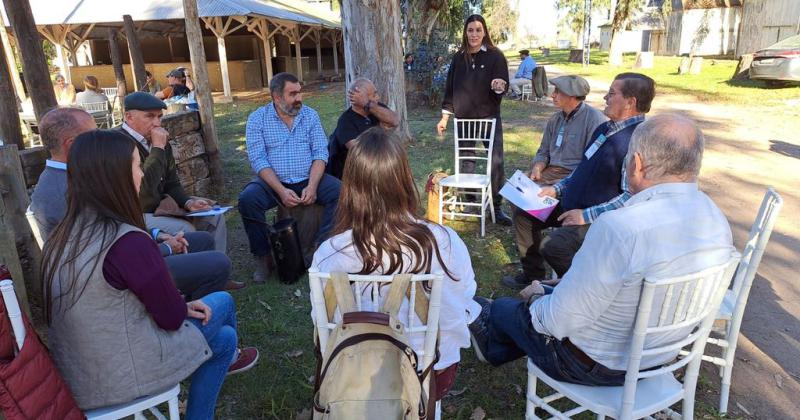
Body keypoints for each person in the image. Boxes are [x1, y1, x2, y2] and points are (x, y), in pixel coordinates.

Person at [470, 113, 736, 386]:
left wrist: (536, 300)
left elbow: (555, 323)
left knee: (503, 309)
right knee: (540, 300)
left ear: (636, 164)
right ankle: (494, 346)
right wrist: (561, 285)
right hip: (660, 356)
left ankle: (493, 341)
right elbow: (630, 285)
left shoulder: (620, 228)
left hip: (596, 365)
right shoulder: (715, 219)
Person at [41, 129, 258, 418]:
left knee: (224, 338)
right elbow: (169, 319)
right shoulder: (128, 241)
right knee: (223, 303)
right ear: (115, 175)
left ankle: (223, 360)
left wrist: (179, 306)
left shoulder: (62, 236)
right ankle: (225, 364)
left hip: (78, 375)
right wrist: (179, 306)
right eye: (135, 165)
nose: (142, 175)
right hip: (124, 375)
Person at [312, 127, 480, 400]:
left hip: (352, 375)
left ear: (351, 186)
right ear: (404, 178)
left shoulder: (329, 254)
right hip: (430, 372)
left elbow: (322, 324)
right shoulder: (445, 242)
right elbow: (458, 307)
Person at [30, 108, 242, 299]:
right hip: (109, 280)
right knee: (217, 263)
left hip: (124, 255)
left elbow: (117, 227)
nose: (102, 140)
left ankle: (187, 306)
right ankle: (188, 321)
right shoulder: (65, 191)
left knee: (202, 240)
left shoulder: (78, 175)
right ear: (73, 144)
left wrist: (159, 235)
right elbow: (110, 254)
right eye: (94, 135)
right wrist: (166, 248)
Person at [503, 72, 655, 289]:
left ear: (630, 102)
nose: (605, 98)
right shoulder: (606, 129)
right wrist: (556, 190)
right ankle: (533, 275)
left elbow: (631, 197)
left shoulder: (637, 140)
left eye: (611, 94)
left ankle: (581, 291)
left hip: (598, 220)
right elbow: (582, 168)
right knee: (523, 213)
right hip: (570, 205)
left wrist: (585, 215)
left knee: (555, 247)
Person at [239, 72, 341, 283]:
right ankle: (263, 256)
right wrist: (280, 190)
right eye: (292, 94)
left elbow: (320, 153)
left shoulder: (310, 115)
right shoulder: (258, 119)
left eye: (299, 93)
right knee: (248, 199)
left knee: (342, 193)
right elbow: (258, 160)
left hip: (307, 177)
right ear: (276, 97)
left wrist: (312, 186)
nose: (299, 98)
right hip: (274, 182)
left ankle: (319, 249)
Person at [113, 92, 229, 253]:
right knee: (184, 229)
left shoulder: (158, 141)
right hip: (132, 214)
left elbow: (171, 182)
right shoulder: (117, 143)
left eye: (159, 117)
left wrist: (188, 202)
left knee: (213, 216)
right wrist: (158, 148)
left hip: (160, 207)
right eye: (150, 117)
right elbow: (143, 190)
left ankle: (218, 271)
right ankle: (193, 275)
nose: (157, 123)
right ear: (129, 117)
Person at [436, 14, 512, 225]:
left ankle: (496, 206)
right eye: (471, 30)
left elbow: (502, 84)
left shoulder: (495, 56)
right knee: (467, 160)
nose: (474, 34)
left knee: (495, 161)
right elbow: (450, 90)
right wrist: (444, 119)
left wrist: (499, 86)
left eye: (478, 30)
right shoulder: (458, 58)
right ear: (465, 32)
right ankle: (470, 201)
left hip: (489, 117)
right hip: (464, 119)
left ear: (484, 32)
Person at [529, 75, 607, 185]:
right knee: (514, 190)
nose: (552, 95)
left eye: (558, 91)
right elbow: (543, 150)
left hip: (576, 175)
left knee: (535, 197)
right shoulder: (555, 119)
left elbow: (592, 160)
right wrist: (538, 166)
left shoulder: (594, 119)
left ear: (572, 96)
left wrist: (564, 182)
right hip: (550, 170)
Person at [327, 78, 400, 179]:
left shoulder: (374, 109)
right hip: (355, 175)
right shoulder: (345, 121)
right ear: (359, 98)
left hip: (377, 167)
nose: (378, 97)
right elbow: (362, 154)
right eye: (374, 95)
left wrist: (368, 104)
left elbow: (395, 121)